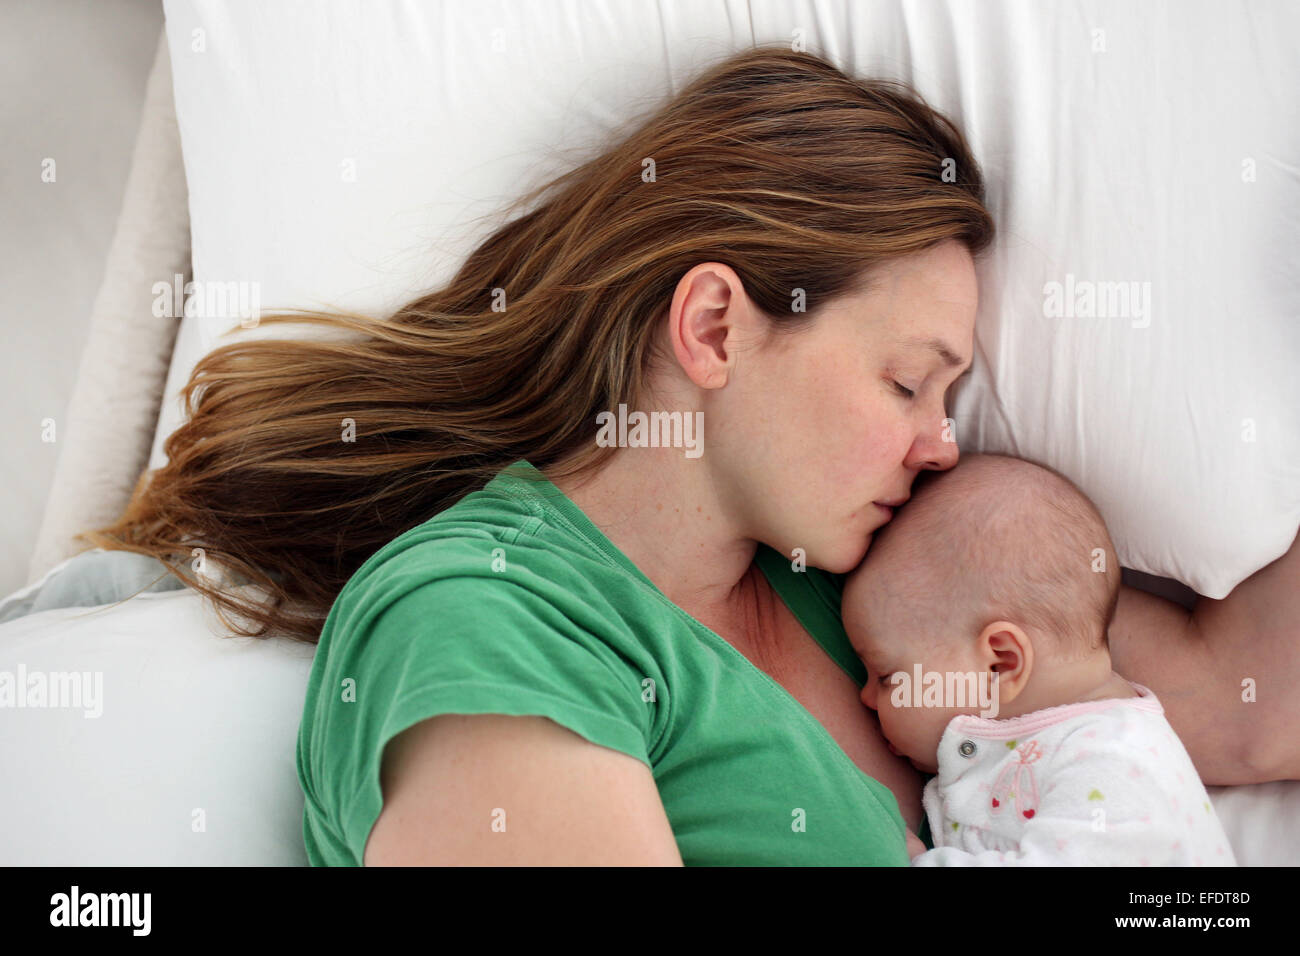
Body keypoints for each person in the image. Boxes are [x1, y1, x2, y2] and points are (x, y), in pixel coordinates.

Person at [80, 47, 1299, 866]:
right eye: (903, 380)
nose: (939, 441)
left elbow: (1247, 703)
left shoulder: (875, 584)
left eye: (950, 395)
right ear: (714, 327)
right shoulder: (495, 620)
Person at [843, 453, 1236, 865]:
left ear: (1001, 663)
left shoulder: (1112, 758)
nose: (866, 696)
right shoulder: (1059, 744)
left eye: (887, 676)